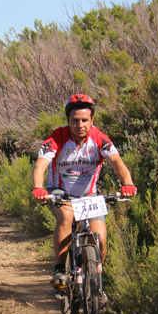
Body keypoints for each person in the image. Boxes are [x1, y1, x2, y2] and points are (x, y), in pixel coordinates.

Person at [31, 94, 136, 293]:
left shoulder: (99, 138)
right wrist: (39, 188)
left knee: (101, 238)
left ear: (92, 120)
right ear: (68, 121)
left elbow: (117, 162)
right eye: (75, 120)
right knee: (66, 215)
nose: (80, 124)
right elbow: (40, 166)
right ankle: (60, 270)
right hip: (60, 192)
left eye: (85, 120)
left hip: (90, 196)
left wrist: (128, 184)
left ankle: (96, 283)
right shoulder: (57, 137)